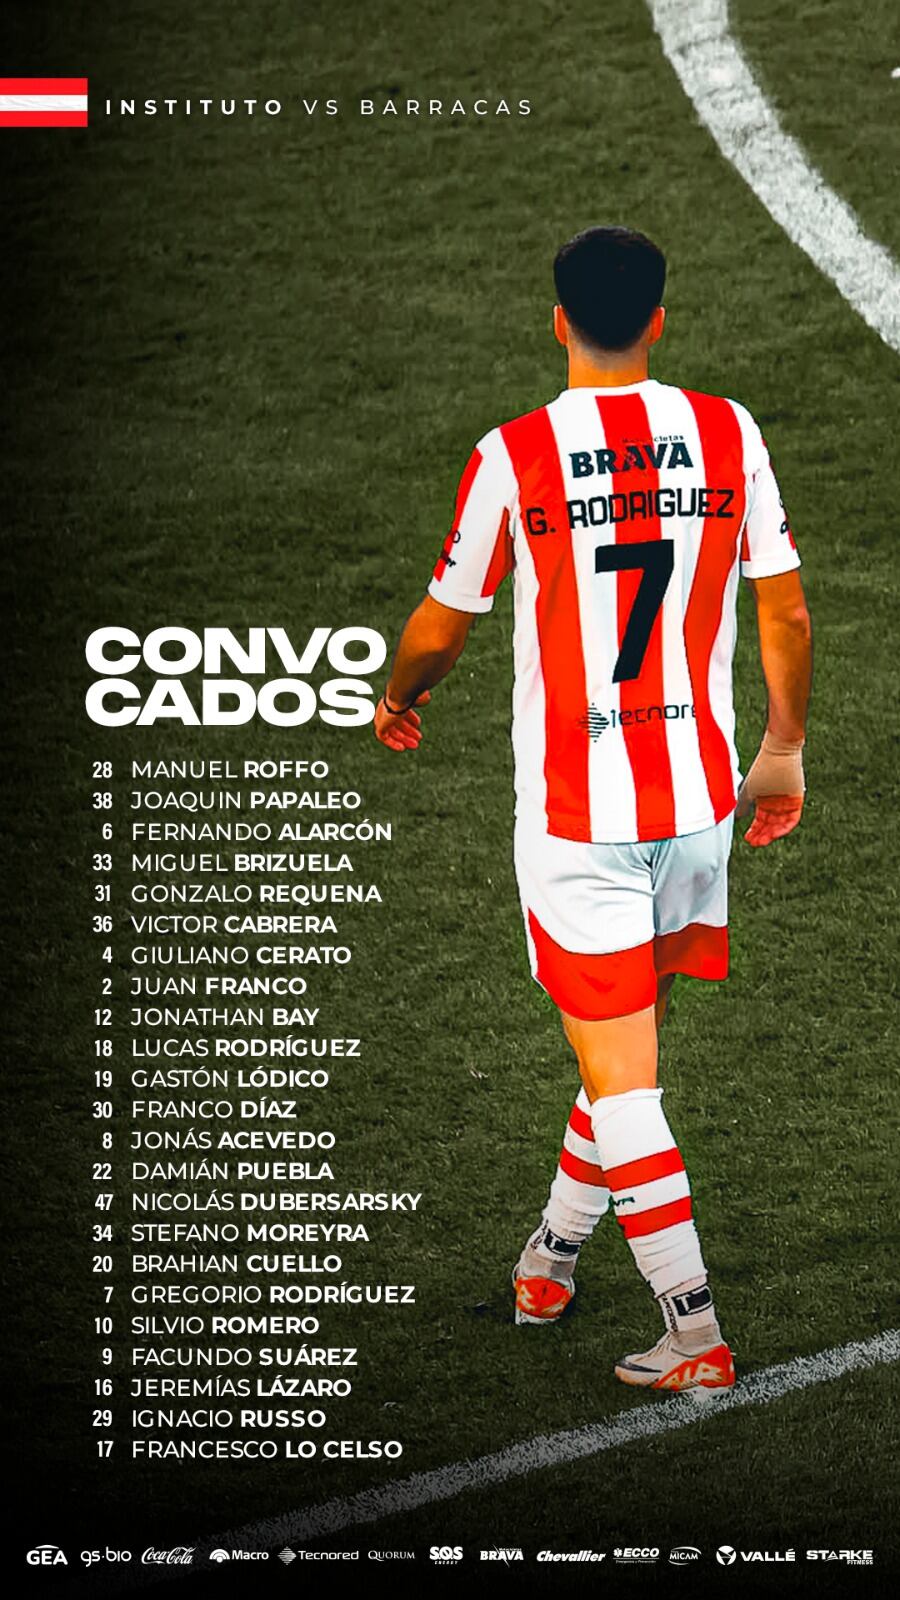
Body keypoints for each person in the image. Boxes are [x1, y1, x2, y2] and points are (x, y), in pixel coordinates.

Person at [374, 225, 811, 1393]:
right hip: (696, 804)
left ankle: (694, 1333)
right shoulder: (728, 432)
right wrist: (783, 749)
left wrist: (401, 696)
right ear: (659, 319)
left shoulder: (515, 455)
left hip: (580, 823)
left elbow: (441, 625)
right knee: (621, 1046)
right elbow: (786, 611)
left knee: (625, 1080)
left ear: (558, 320)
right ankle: (552, 1258)